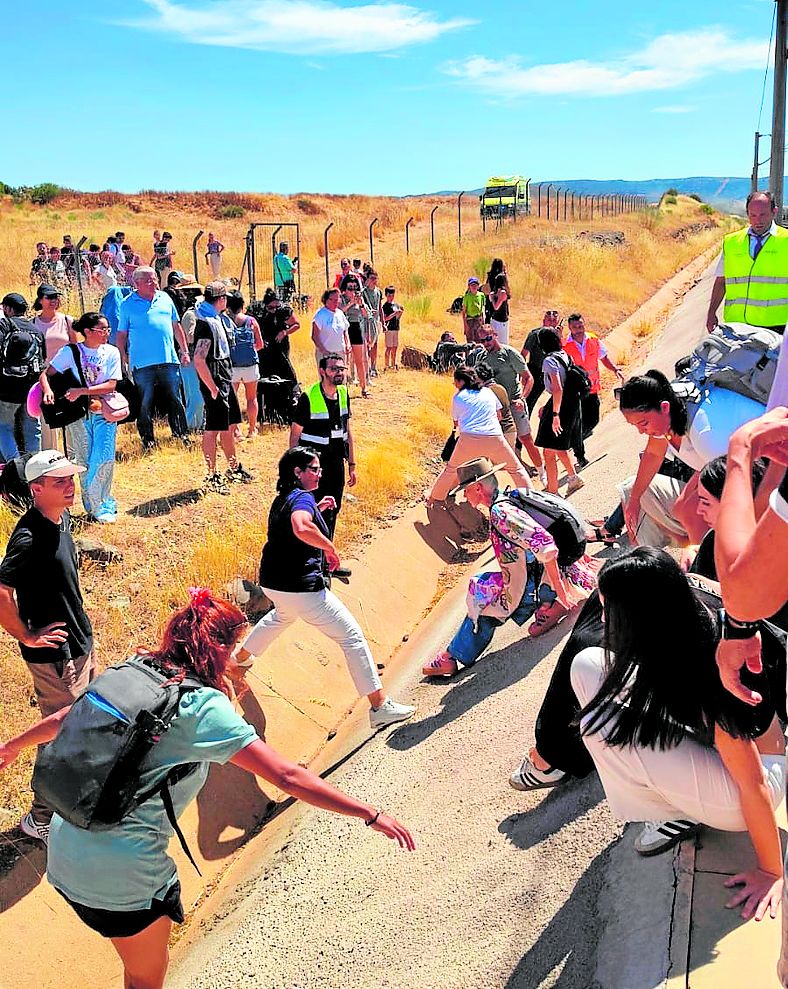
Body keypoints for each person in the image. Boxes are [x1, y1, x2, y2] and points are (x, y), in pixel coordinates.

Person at [0, 588, 413, 989]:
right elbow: (287, 776)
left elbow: (68, 716)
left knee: (137, 971)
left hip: (65, 851)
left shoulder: (134, 669)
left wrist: (12, 747)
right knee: (146, 980)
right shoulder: (200, 708)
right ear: (221, 649)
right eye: (236, 646)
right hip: (120, 877)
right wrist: (370, 814)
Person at [571, 547, 785, 921]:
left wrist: (772, 871)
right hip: (731, 754)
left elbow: (754, 784)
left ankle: (676, 811)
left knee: (603, 729)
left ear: (641, 617)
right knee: (587, 666)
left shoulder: (708, 661)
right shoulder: (677, 622)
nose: (604, 619)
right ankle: (677, 802)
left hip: (763, 775)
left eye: (611, 612)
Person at [231, 447, 416, 729]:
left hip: (273, 584)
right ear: (298, 472)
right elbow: (300, 526)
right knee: (352, 637)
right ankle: (379, 706)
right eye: (314, 469)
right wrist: (329, 548)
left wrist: (318, 510)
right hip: (302, 589)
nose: (320, 473)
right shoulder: (302, 499)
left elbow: (292, 523)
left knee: (282, 616)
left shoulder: (285, 498)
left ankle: (240, 659)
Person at [0, 450, 94, 842]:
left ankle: (78, 796)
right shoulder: (28, 536)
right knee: (60, 736)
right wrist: (26, 635)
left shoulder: (61, 519)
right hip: (55, 658)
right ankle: (40, 817)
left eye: (71, 478)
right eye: (60, 482)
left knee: (81, 728)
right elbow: (1, 590)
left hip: (79, 643)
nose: (70, 486)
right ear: (36, 489)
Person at [423, 458, 570, 677]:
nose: (464, 496)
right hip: (534, 578)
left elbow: (545, 544)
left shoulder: (501, 513)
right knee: (485, 589)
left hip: (528, 585)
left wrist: (558, 590)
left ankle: (451, 657)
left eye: (465, 490)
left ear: (478, 488)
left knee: (482, 597)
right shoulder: (507, 500)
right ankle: (548, 603)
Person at [40, 313, 121, 523]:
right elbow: (46, 374)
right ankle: (94, 505)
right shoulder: (71, 351)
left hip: (105, 411)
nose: (106, 334)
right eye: (102, 330)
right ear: (87, 331)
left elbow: (112, 384)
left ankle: (101, 504)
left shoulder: (111, 352)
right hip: (78, 415)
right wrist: (48, 391)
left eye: (108, 330)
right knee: (84, 460)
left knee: (103, 457)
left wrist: (81, 391)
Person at [614, 370, 708, 548]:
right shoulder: (665, 421)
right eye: (635, 426)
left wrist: (686, 502)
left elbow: (723, 470)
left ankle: (699, 552)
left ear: (664, 407)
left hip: (741, 490)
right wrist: (633, 502)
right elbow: (653, 455)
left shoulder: (702, 429)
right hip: (712, 482)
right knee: (632, 489)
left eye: (643, 424)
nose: (641, 431)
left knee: (686, 508)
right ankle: (650, 562)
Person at [425, 366, 532, 504]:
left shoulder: (458, 397)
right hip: (494, 437)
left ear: (460, 381)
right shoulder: (488, 392)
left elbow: (456, 423)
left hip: (469, 439)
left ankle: (435, 498)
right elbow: (499, 415)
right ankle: (531, 499)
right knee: (516, 469)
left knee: (451, 470)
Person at [116, 267, 191, 452]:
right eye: (149, 280)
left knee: (175, 398)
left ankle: (181, 434)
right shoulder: (127, 304)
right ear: (137, 283)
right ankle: (148, 440)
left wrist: (184, 350)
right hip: (142, 364)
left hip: (169, 359)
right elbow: (121, 335)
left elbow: (176, 325)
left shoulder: (165, 298)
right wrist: (122, 357)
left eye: (155, 279)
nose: (154, 283)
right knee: (144, 402)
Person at [192, 282, 253, 493]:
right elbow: (199, 359)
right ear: (221, 299)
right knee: (213, 429)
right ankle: (211, 475)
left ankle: (234, 468)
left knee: (228, 425)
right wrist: (213, 388)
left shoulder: (217, 318)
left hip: (225, 377)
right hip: (216, 380)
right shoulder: (206, 323)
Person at [290, 353, 355, 537]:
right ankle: (313, 561)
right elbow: (295, 435)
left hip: (336, 464)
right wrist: (294, 467)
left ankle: (326, 560)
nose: (339, 373)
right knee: (313, 511)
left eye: (341, 369)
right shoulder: (308, 397)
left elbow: (348, 431)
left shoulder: (343, 394)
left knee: (333, 509)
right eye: (334, 369)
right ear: (322, 371)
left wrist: (352, 464)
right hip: (313, 465)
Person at [707, 191, 788, 334]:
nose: (758, 220)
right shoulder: (732, 242)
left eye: (763, 214)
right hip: (738, 326)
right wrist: (711, 312)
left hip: (777, 327)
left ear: (774, 212)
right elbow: (721, 281)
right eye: (753, 215)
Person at [478, 328, 546, 484]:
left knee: (525, 438)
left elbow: (528, 378)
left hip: (514, 402)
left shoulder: (509, 353)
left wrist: (522, 398)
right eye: (482, 341)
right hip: (496, 407)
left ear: (495, 335)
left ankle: (542, 473)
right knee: (495, 444)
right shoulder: (482, 358)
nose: (486, 343)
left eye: (488, 339)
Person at [562, 313, 623, 468]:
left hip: (592, 388)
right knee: (578, 421)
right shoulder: (564, 346)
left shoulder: (594, 340)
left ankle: (576, 439)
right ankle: (578, 451)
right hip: (576, 391)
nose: (578, 329)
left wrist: (615, 369)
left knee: (593, 419)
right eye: (575, 327)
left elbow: (603, 358)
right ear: (570, 328)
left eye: (580, 326)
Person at [533, 327, 584, 495]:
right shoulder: (564, 355)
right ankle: (573, 478)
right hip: (571, 403)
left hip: (560, 406)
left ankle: (553, 492)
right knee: (558, 446)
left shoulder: (549, 361)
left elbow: (557, 387)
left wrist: (554, 414)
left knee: (548, 451)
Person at [32, 284, 78, 451]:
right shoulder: (33, 323)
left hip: (67, 376)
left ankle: (72, 454)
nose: (53, 300)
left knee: (72, 418)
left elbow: (75, 348)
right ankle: (51, 457)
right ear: (40, 300)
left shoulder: (67, 321)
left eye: (55, 297)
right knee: (47, 420)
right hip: (45, 377)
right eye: (49, 297)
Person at [0, 293, 44, 460]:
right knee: (32, 428)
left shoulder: (4, 325)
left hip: (6, 388)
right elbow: (42, 360)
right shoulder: (36, 330)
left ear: (9, 308)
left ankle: (16, 466)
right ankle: (36, 466)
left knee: (4, 427)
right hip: (31, 389)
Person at [226, 290, 264, 440]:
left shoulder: (224, 321)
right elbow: (260, 344)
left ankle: (235, 431)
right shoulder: (251, 321)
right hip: (250, 365)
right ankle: (252, 429)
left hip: (232, 366)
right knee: (251, 398)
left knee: (232, 400)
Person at [256, 287, 299, 385]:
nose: (274, 310)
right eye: (271, 307)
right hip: (264, 346)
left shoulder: (283, 310)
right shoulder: (259, 311)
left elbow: (296, 325)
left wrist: (285, 332)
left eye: (276, 307)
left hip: (280, 344)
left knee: (285, 368)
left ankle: (291, 390)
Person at [522, 310, 560, 413]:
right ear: (544, 321)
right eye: (549, 320)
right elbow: (523, 354)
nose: (551, 323)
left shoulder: (556, 336)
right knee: (529, 402)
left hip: (550, 372)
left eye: (554, 320)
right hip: (535, 371)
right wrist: (524, 374)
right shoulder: (535, 335)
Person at [340, 281, 369, 397]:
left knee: (359, 360)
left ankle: (364, 387)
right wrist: (351, 303)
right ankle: (343, 387)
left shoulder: (359, 299)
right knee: (344, 360)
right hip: (344, 327)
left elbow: (366, 314)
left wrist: (361, 304)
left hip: (356, 327)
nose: (352, 291)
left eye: (354, 288)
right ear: (345, 289)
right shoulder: (341, 299)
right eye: (349, 288)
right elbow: (340, 311)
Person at [312, 289, 350, 368]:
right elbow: (315, 336)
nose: (334, 302)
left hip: (340, 352)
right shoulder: (320, 314)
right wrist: (324, 351)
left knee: (341, 378)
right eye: (331, 300)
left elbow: (345, 331)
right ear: (325, 300)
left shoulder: (340, 313)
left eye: (336, 300)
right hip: (326, 354)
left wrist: (347, 344)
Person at [362, 270, 383, 377]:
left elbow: (380, 307)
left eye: (375, 278)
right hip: (366, 322)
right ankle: (366, 368)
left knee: (375, 345)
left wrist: (383, 323)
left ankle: (373, 367)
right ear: (367, 280)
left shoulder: (378, 292)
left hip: (376, 321)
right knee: (366, 345)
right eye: (372, 278)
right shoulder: (363, 292)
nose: (374, 281)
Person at [382, 285, 403, 371]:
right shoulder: (385, 306)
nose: (391, 297)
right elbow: (385, 318)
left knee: (395, 347)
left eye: (392, 295)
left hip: (396, 328)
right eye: (389, 295)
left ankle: (393, 364)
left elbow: (398, 317)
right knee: (389, 347)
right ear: (386, 295)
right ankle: (387, 365)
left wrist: (400, 313)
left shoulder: (396, 305)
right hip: (389, 328)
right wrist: (394, 314)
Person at [487, 273, 511, 345]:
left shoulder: (503, 293)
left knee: (502, 342)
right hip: (495, 319)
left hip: (502, 321)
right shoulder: (496, 292)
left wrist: (492, 298)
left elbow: (496, 307)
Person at [461, 276, 486, 343]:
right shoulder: (467, 297)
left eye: (476, 285)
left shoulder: (481, 295)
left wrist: (483, 321)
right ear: (469, 286)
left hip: (478, 319)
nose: (474, 287)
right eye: (472, 285)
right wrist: (465, 325)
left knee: (479, 338)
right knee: (470, 339)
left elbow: (482, 308)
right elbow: (463, 312)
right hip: (470, 319)